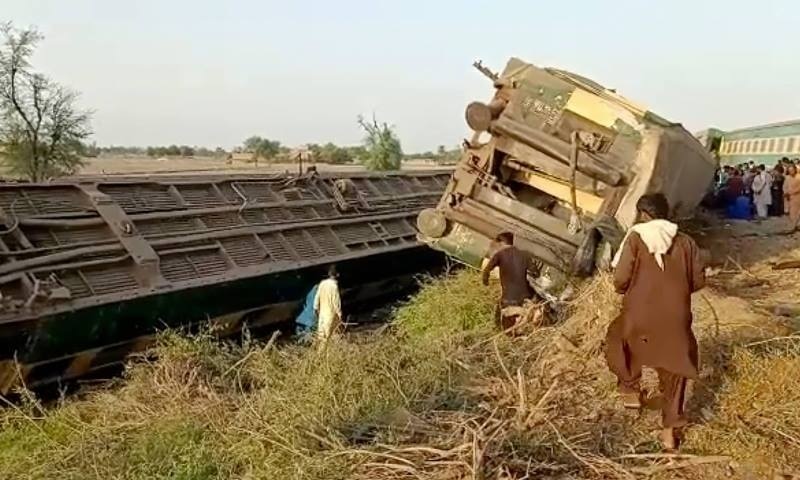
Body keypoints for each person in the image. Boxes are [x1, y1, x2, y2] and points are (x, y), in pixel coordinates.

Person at [605, 193, 705, 450]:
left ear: (642, 213)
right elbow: (698, 281)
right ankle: (669, 432)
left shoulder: (636, 237)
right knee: (676, 366)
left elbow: (619, 280)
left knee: (619, 339)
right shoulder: (686, 242)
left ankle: (630, 389)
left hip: (639, 314)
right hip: (675, 318)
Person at [481, 232, 541, 332]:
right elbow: (535, 273)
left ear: (502, 243)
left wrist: (485, 281)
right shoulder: (523, 254)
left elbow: (486, 271)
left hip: (510, 299)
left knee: (501, 321)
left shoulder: (499, 255)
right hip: (526, 295)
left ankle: (513, 328)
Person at [314, 265, 342, 345]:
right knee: (330, 337)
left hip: (322, 314)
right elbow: (336, 302)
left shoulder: (322, 283)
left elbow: (317, 298)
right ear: (337, 275)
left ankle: (320, 355)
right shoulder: (334, 286)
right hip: (331, 315)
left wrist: (316, 309)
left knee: (321, 337)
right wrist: (339, 314)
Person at [784, 165, 800, 233]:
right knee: (791, 212)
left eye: (792, 170)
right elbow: (784, 186)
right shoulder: (787, 178)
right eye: (789, 170)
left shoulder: (798, 177)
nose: (791, 172)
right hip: (789, 197)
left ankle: (796, 226)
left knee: (797, 212)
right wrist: (786, 192)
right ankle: (793, 226)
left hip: (797, 196)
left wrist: (791, 192)